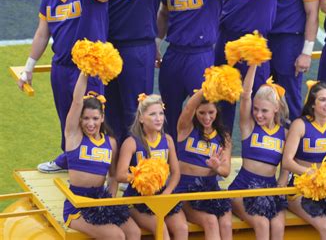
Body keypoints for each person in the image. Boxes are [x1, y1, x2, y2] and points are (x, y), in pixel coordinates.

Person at [18, 0, 112, 173]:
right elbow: (42, 33)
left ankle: (94, 164)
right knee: (66, 115)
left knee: (91, 115)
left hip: (88, 69)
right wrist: (29, 66)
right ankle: (69, 158)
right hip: (60, 65)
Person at [214, 0, 301, 132]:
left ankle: (259, 156)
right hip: (226, 40)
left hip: (255, 44)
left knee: (258, 104)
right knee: (222, 101)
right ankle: (221, 155)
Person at [101, 0, 181, 144]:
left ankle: (139, 163)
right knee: (108, 106)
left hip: (137, 49)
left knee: (135, 109)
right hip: (108, 49)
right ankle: (115, 162)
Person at [157, 0, 244, 141]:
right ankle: (172, 154)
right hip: (174, 53)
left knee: (204, 108)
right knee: (168, 106)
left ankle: (203, 152)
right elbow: (163, 14)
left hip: (200, 56)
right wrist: (156, 43)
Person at [62, 72, 141, 238]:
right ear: (80, 120)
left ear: (102, 118)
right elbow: (77, 102)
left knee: (134, 232)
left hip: (101, 201)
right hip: (78, 205)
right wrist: (84, 73)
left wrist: (109, 202)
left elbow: (112, 175)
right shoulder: (74, 136)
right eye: (86, 118)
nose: (90, 123)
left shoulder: (111, 142)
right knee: (116, 236)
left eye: (95, 118)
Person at [282, 81, 326, 239]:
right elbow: (287, 161)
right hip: (302, 186)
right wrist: (311, 173)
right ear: (312, 104)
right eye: (323, 100)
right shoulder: (299, 125)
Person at [228, 64, 289, 240]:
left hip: (270, 189)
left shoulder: (285, 134)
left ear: (276, 108)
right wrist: (254, 64)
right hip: (243, 189)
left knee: (278, 225)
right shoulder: (249, 126)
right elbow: (246, 95)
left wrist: (281, 185)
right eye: (256, 109)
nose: (258, 114)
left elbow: (287, 164)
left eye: (264, 111)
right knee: (261, 224)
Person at [116, 94, 188, 239]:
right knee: (161, 230)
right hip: (139, 200)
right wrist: (142, 178)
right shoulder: (131, 142)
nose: (158, 118)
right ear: (142, 118)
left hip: (163, 196)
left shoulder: (167, 140)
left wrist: (167, 193)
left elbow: (175, 173)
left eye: (161, 113)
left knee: (182, 228)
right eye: (153, 114)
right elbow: (120, 175)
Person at [175, 89, 233, 240]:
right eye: (201, 113)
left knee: (226, 223)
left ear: (217, 111)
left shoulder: (223, 136)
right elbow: (188, 107)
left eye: (211, 112)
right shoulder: (186, 128)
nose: (207, 117)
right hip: (186, 190)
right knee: (211, 221)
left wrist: (217, 168)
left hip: (211, 189)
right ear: (195, 112)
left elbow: (226, 171)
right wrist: (207, 87)